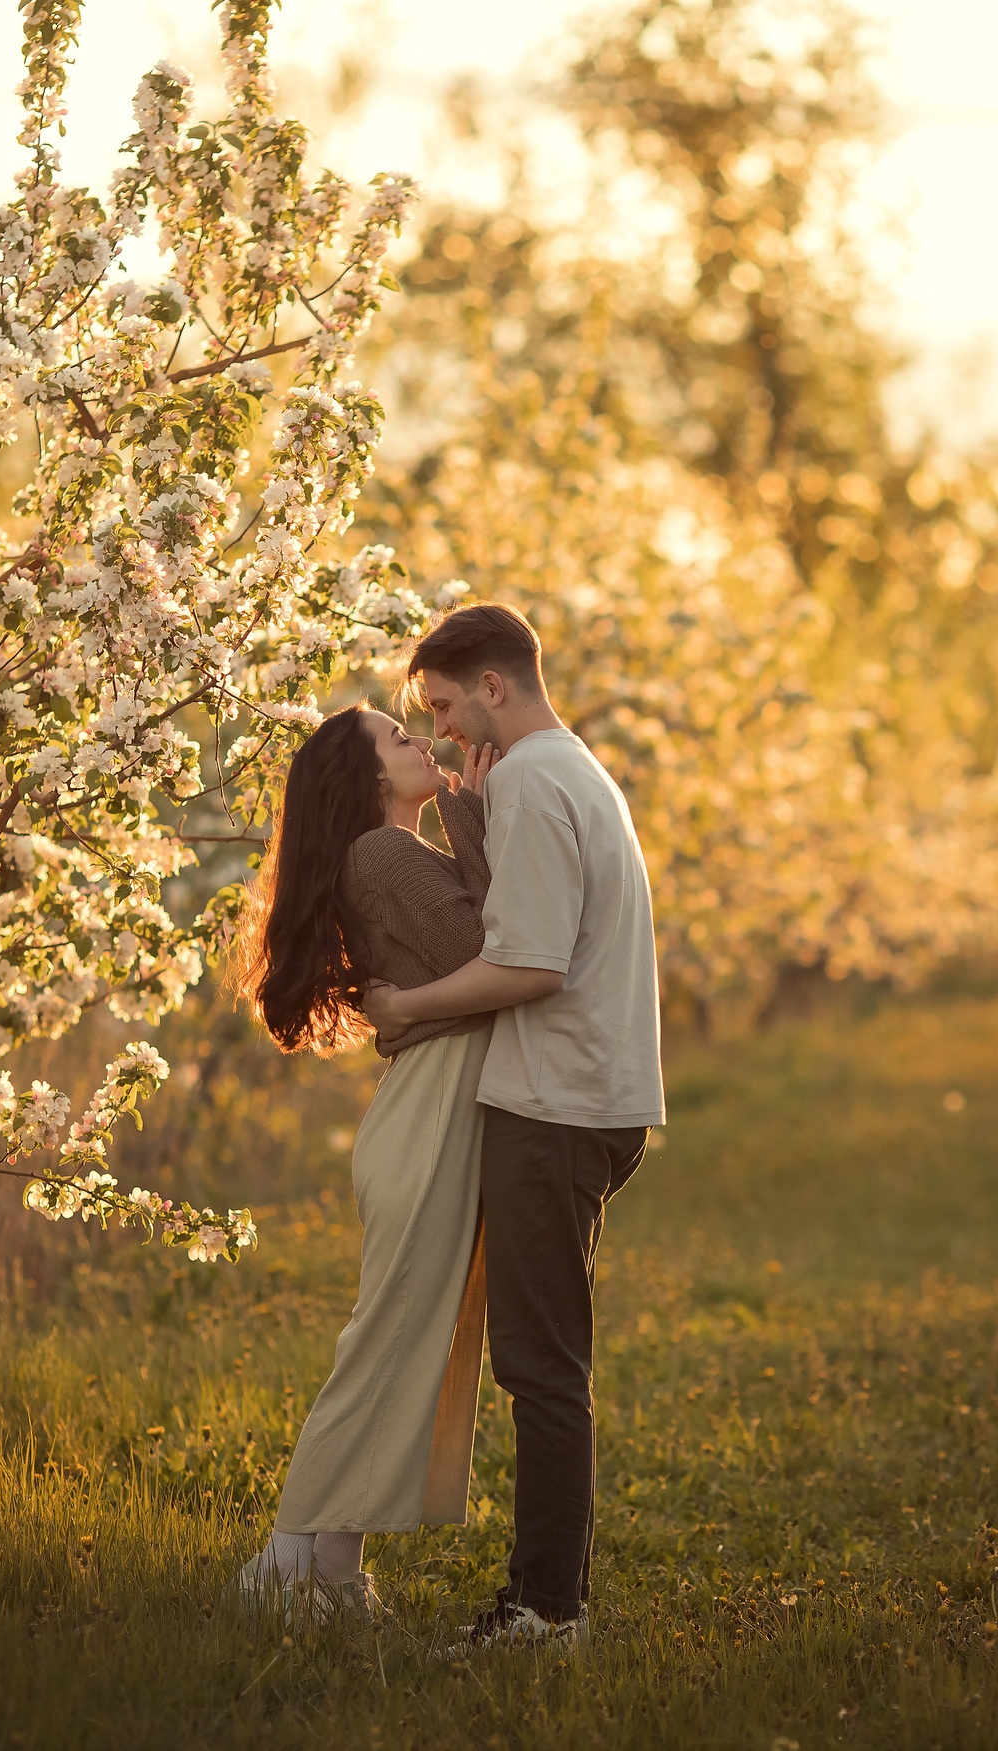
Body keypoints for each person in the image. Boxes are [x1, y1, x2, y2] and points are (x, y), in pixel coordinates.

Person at [361, 602, 665, 1655]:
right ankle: (551, 1599)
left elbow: (530, 965)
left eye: (444, 707)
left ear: (493, 684)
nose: (441, 733)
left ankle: (546, 1612)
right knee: (547, 1358)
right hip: (595, 1095)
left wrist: (404, 1009)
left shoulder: (535, 776)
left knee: (539, 1365)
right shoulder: (567, 769)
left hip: (556, 1101)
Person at [229, 702, 503, 1622]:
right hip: (430, 1108)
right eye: (400, 738)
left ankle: (325, 1568)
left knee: (399, 1337)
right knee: (388, 1339)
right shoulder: (384, 854)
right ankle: (284, 1564)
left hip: (432, 1103)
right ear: (369, 778)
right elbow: (490, 952)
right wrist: (474, 798)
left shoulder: (393, 856)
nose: (421, 743)